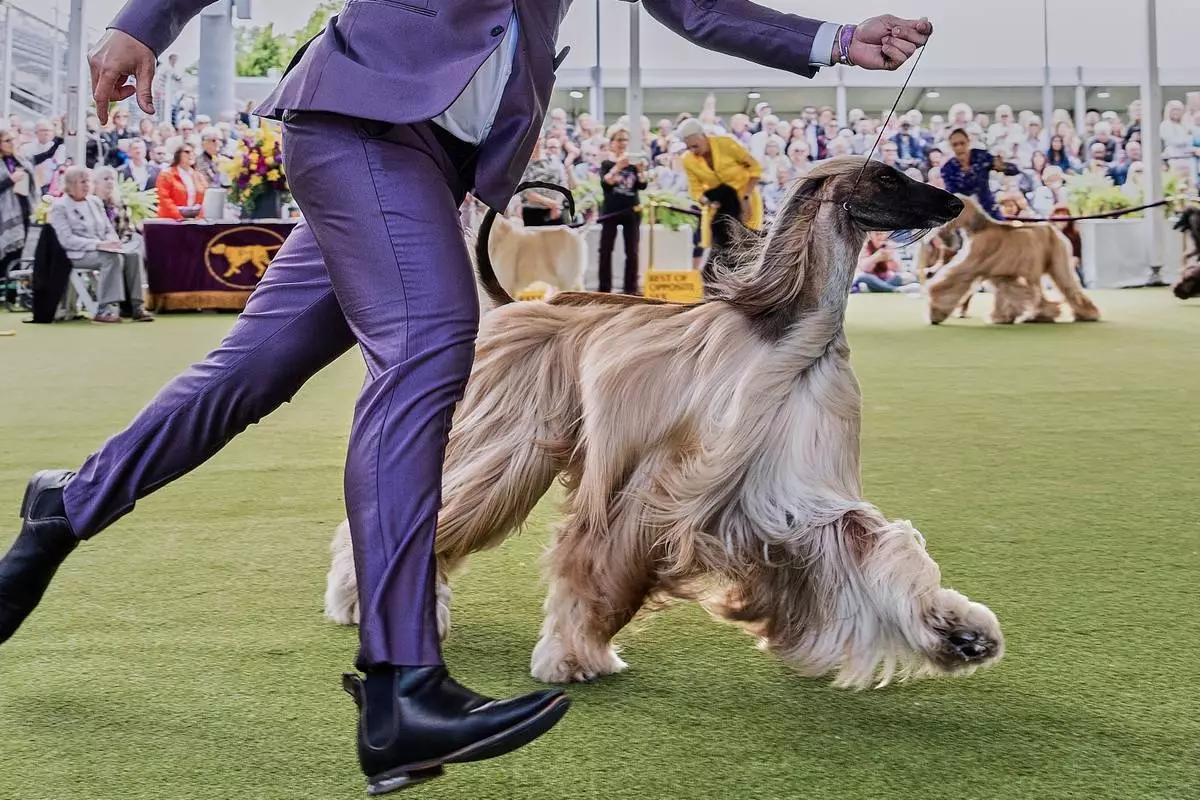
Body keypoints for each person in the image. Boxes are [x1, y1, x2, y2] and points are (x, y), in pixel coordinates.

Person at [0, 1, 934, 795]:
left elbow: (692, 6)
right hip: (361, 119)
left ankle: (66, 505)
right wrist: (144, 23)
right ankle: (401, 681)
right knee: (427, 348)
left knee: (249, 374)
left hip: (440, 158)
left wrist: (836, 40)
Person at [46, 166, 152, 323]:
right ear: (71, 184)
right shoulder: (60, 206)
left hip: (101, 248)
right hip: (75, 253)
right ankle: (104, 309)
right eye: (82, 182)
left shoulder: (95, 202)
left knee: (133, 256)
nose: (87, 185)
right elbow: (67, 240)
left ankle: (136, 307)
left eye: (88, 181)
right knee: (111, 258)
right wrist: (98, 244)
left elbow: (108, 229)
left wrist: (113, 242)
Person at [679, 117, 764, 254]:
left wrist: (746, 196)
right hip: (718, 205)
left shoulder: (726, 143)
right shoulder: (687, 159)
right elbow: (695, 190)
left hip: (745, 197)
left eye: (695, 146)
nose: (692, 150)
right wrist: (708, 202)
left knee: (749, 243)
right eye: (689, 147)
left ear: (704, 136)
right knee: (718, 248)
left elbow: (755, 167)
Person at [597, 125, 648, 295]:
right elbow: (605, 184)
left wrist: (641, 171)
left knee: (632, 251)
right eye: (619, 140)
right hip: (611, 212)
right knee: (605, 250)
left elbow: (642, 185)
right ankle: (604, 289)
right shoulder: (606, 163)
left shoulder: (634, 163)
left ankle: (630, 289)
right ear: (611, 142)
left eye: (626, 140)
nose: (623, 143)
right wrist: (617, 167)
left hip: (631, 212)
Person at [940, 128, 1021, 220]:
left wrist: (1003, 167)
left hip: (989, 210)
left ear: (969, 142)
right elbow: (953, 194)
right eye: (955, 145)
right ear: (951, 147)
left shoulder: (981, 156)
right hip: (965, 215)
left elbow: (1015, 170)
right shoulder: (947, 169)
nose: (959, 148)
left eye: (962, 143)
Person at [0, 129, 35, 308]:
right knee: (5, 254)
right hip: (4, 214)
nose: (12, 143)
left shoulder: (20, 160)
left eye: (13, 139)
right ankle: (3, 292)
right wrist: (10, 180)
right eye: (7, 140)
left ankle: (12, 296)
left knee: (18, 254)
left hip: (23, 211)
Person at [155, 144, 206, 220]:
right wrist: (180, 217)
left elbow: (203, 200)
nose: (191, 154)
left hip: (194, 221)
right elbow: (164, 199)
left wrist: (198, 218)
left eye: (193, 152)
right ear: (178, 155)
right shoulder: (166, 174)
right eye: (187, 152)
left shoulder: (199, 176)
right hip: (171, 220)